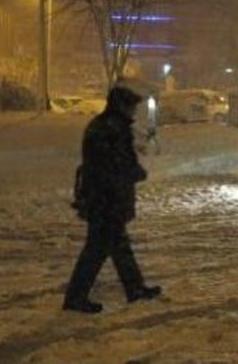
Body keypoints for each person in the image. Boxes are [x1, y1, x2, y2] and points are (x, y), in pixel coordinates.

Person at [63, 86, 161, 314]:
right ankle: (76, 298)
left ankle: (134, 288)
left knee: (119, 246)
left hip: (103, 197)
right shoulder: (111, 129)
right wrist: (135, 172)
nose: (134, 112)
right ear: (121, 106)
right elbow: (114, 164)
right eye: (131, 107)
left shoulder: (107, 126)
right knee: (97, 250)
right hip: (106, 198)